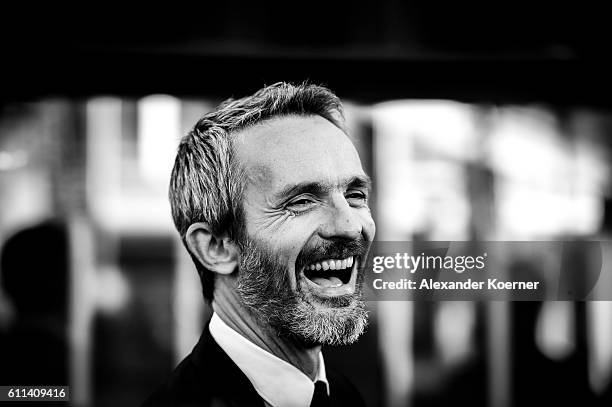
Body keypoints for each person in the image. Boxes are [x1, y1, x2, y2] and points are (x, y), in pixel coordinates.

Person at [143, 82, 376, 407]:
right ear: (216, 248)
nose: (350, 226)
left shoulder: (344, 396)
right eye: (302, 201)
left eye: (355, 195)